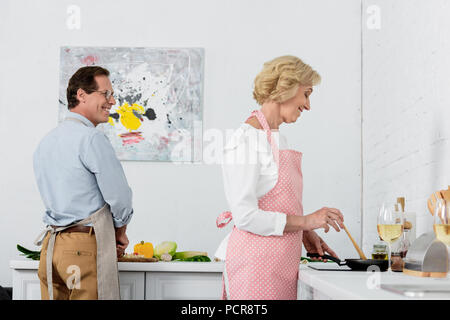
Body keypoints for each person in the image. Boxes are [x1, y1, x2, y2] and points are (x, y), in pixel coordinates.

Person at [215, 56, 345, 300]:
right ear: (286, 88)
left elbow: (275, 202)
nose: (308, 105)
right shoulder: (246, 140)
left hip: (281, 264)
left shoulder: (276, 139)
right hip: (255, 267)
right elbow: (245, 216)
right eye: (306, 94)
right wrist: (307, 221)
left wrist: (304, 233)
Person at [33, 66, 133, 300]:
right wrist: (120, 231)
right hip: (83, 248)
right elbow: (120, 197)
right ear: (81, 95)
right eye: (106, 94)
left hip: (51, 248)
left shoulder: (46, 142)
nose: (113, 101)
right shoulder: (91, 138)